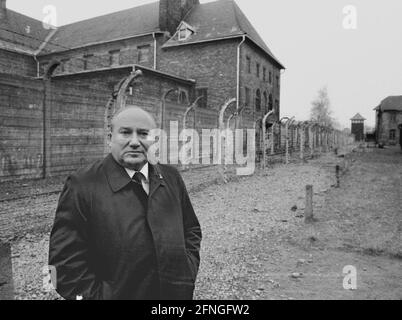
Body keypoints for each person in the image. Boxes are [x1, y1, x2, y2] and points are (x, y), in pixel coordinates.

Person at [48, 106, 202, 300]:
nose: (135, 142)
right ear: (109, 138)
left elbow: (191, 230)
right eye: (126, 132)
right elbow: (61, 266)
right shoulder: (82, 184)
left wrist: (186, 272)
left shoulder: (171, 177)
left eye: (143, 134)